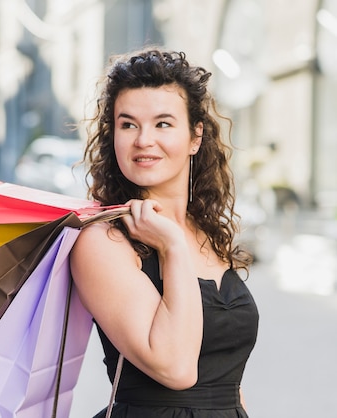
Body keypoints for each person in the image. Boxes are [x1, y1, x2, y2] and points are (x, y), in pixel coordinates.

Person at [69, 48, 259, 417]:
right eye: (128, 124)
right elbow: (176, 368)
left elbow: (229, 382)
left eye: (163, 123)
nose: (143, 140)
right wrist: (171, 246)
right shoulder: (102, 240)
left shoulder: (207, 232)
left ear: (195, 137)